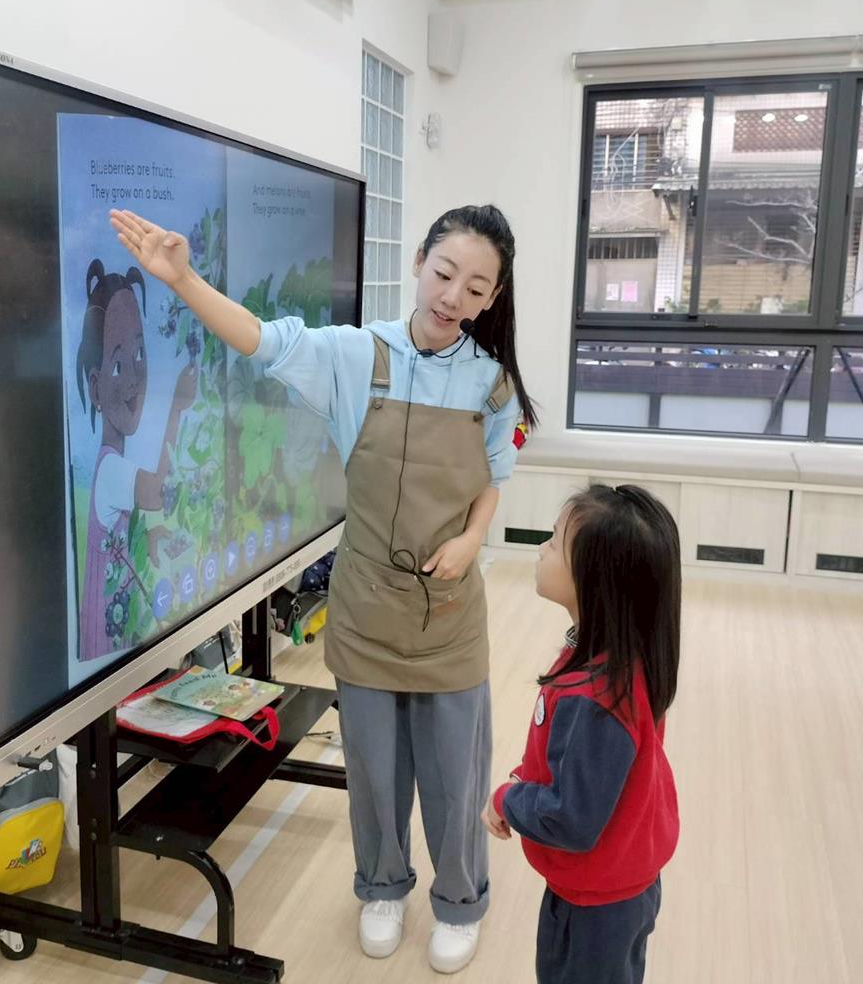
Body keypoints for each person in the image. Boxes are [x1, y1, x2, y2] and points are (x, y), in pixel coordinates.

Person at [110, 203, 536, 973]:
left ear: (492, 298)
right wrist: (182, 280)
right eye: (445, 274)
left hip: (449, 615)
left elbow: (492, 481)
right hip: (367, 601)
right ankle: (382, 888)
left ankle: (459, 900)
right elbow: (258, 337)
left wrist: (473, 539)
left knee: (454, 770)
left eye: (475, 289)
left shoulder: (491, 384)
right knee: (373, 766)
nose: (453, 297)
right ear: (419, 262)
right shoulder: (354, 357)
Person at [482, 485, 680, 984]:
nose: (541, 549)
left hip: (599, 901)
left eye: (553, 542)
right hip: (612, 880)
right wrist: (526, 779)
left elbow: (572, 819)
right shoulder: (619, 654)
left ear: (593, 578)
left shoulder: (597, 699)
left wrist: (508, 798)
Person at [75, 259, 197, 660]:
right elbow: (158, 491)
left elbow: (117, 541)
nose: (133, 377)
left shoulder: (111, 466)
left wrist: (148, 538)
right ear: (95, 389)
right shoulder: (110, 468)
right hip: (107, 640)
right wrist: (177, 408)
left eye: (140, 353)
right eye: (116, 364)